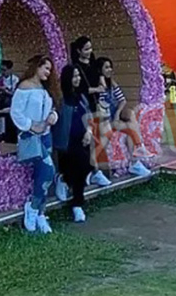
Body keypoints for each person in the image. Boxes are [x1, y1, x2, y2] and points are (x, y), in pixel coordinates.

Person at [10, 55, 59, 234]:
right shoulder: (24, 87)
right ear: (37, 67)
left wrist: (53, 116)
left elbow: (51, 109)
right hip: (31, 136)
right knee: (48, 170)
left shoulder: (44, 89)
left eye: (50, 70)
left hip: (46, 135)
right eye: (46, 68)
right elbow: (16, 112)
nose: (48, 72)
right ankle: (32, 207)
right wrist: (31, 125)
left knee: (42, 175)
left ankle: (40, 212)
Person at [60, 36, 111, 188]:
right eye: (86, 49)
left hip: (96, 104)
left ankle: (92, 168)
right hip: (84, 104)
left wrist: (102, 81)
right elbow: (79, 88)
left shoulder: (93, 62)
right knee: (91, 138)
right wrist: (95, 89)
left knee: (105, 134)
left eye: (90, 48)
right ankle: (93, 170)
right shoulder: (76, 67)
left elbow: (101, 76)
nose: (90, 51)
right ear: (78, 50)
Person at [94, 56, 151, 178]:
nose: (109, 70)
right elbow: (101, 105)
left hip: (113, 115)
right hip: (105, 119)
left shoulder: (112, 84)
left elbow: (122, 100)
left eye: (110, 67)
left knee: (130, 116)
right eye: (106, 67)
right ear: (100, 70)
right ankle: (137, 155)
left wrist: (118, 113)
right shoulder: (99, 86)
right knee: (129, 129)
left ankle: (135, 158)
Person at [53, 66, 92, 223]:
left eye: (78, 75)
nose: (77, 79)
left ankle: (74, 198)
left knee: (84, 168)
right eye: (74, 76)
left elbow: (89, 116)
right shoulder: (60, 98)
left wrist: (89, 131)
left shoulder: (81, 96)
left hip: (83, 139)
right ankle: (76, 201)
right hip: (66, 142)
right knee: (81, 165)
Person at [0, 60, 18, 140]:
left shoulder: (15, 80)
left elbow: (15, 95)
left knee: (3, 117)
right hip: (0, 102)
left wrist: (6, 91)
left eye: (4, 70)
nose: (2, 72)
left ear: (10, 70)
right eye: (1, 70)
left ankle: (3, 135)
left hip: (9, 104)